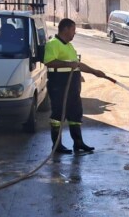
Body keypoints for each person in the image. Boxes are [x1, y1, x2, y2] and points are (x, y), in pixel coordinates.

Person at [44, 18, 115, 154]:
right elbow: (49, 62)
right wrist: (67, 64)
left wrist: (95, 72)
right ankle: (57, 145)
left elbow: (76, 64)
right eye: (73, 30)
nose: (74, 33)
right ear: (65, 29)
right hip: (59, 84)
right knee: (58, 114)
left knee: (75, 113)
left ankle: (78, 143)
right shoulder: (53, 44)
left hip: (72, 86)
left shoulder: (69, 46)